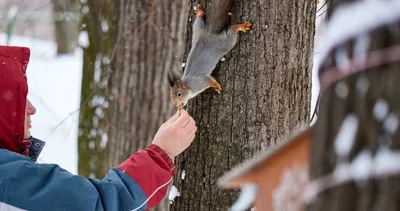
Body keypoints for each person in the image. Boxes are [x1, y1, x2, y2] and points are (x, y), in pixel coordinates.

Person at [0, 45, 197, 211]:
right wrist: (160, 153)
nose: (31, 109)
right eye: (18, 99)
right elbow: (101, 205)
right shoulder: (7, 179)